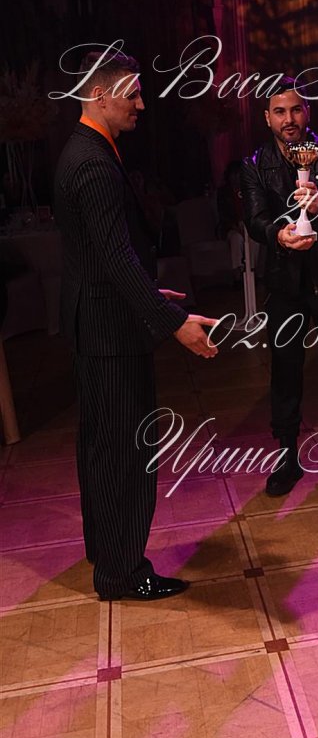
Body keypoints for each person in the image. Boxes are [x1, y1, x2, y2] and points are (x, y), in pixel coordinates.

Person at [54, 50, 218, 601]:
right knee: (125, 455)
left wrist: (150, 294)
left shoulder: (84, 150)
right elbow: (116, 257)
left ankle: (108, 555)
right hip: (110, 334)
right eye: (133, 93)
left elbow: (101, 259)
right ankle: (123, 572)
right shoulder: (93, 162)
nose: (142, 104)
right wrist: (172, 321)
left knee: (105, 450)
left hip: (101, 322)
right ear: (100, 95)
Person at [241, 77, 318, 496]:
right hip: (284, 279)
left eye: (295, 109)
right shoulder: (255, 164)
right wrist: (279, 234)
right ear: (266, 117)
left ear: (308, 111)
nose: (288, 119)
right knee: (285, 369)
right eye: (279, 111)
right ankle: (287, 457)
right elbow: (255, 219)